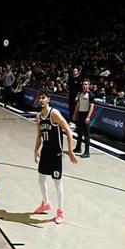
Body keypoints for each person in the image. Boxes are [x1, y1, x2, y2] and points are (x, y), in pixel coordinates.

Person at [33, 90, 78, 224]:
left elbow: (68, 131)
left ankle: (60, 211)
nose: (41, 100)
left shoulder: (54, 113)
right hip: (45, 152)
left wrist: (70, 151)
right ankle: (46, 203)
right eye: (40, 98)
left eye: (43, 98)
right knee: (41, 179)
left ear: (48, 99)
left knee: (57, 183)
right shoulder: (38, 117)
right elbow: (39, 136)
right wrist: (35, 150)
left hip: (56, 154)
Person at [72, 78, 95, 159]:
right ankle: (78, 148)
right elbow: (78, 104)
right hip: (80, 114)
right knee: (79, 132)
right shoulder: (80, 94)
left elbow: (92, 106)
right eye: (83, 84)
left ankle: (87, 152)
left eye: (86, 84)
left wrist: (88, 117)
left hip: (86, 115)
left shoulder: (91, 95)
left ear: (89, 85)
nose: (84, 86)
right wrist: (75, 114)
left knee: (86, 135)